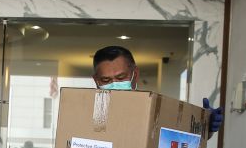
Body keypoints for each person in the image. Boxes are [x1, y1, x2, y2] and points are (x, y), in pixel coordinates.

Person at [92, 45, 224, 133]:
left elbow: (182, 139)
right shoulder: (89, 111)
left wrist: (206, 127)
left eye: (121, 78)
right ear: (96, 81)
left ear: (135, 74)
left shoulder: (155, 108)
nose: (114, 84)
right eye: (106, 80)